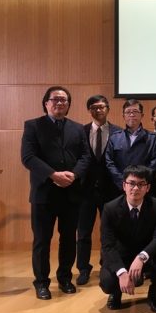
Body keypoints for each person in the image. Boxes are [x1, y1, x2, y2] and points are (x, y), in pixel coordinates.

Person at [21, 86, 91, 300]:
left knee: (69, 238)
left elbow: (85, 156)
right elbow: (28, 157)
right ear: (46, 103)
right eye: (55, 99)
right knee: (42, 240)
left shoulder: (78, 128)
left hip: (71, 192)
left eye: (64, 100)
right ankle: (41, 282)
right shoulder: (33, 126)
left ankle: (65, 278)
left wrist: (74, 175)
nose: (60, 103)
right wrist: (53, 175)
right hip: (44, 194)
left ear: (69, 105)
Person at [99, 165, 156, 313]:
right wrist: (121, 272)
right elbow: (108, 245)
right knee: (107, 282)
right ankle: (115, 293)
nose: (136, 188)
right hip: (120, 256)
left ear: (148, 188)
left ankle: (154, 297)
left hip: (145, 256)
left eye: (141, 184)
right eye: (131, 183)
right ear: (124, 186)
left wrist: (141, 257)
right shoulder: (110, 209)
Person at [76, 94, 121, 286]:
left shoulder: (118, 132)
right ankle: (83, 269)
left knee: (109, 232)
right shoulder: (80, 132)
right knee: (83, 232)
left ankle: (108, 265)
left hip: (111, 191)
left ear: (108, 109)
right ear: (89, 110)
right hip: (85, 191)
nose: (98, 110)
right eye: (93, 107)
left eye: (101, 106)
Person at [105, 99, 156, 194]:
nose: (131, 115)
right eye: (128, 112)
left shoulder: (152, 138)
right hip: (120, 187)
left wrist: (140, 183)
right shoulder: (115, 137)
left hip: (142, 188)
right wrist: (123, 182)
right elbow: (109, 162)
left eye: (135, 111)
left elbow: (154, 162)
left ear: (142, 115)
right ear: (123, 116)